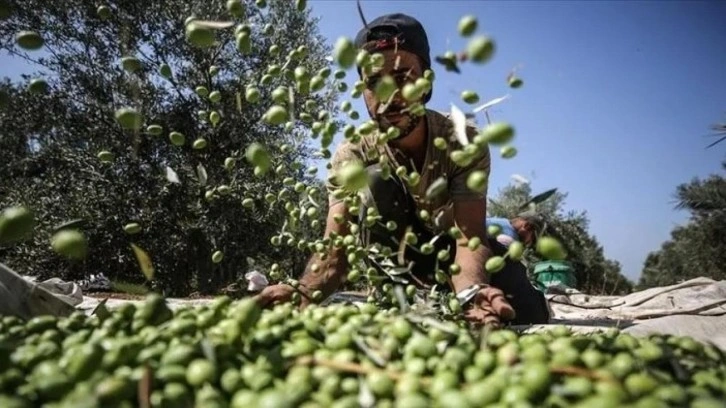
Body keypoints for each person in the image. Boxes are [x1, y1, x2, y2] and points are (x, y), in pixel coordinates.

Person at [257, 13, 550, 327]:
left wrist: (470, 290)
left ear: (426, 83)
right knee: (372, 178)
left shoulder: (462, 142)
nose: (389, 96)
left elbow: (468, 236)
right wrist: (305, 291)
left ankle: (531, 299)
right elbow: (336, 249)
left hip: (454, 252)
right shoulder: (351, 155)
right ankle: (406, 294)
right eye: (373, 82)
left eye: (403, 78)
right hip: (399, 261)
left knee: (527, 313)